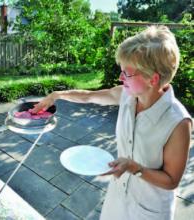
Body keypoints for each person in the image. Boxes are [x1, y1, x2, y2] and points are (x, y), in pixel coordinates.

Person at [31, 26, 192, 220]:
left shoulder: (177, 123)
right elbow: (90, 97)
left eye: (127, 73)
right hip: (118, 197)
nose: (120, 77)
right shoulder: (127, 95)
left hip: (151, 210)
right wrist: (57, 95)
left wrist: (134, 168)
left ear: (153, 79)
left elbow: (171, 180)